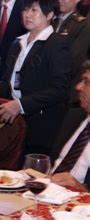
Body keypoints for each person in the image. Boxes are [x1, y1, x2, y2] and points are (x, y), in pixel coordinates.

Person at [0, 0, 72, 157]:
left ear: (50, 14)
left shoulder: (57, 44)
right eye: (25, 9)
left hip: (40, 123)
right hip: (13, 120)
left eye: (34, 10)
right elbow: (7, 79)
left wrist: (21, 104)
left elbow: (60, 89)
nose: (27, 15)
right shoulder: (18, 42)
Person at [51, 61, 90, 192]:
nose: (78, 87)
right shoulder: (73, 116)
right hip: (48, 194)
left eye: (86, 81)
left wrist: (81, 189)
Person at [52, 0, 90, 105]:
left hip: (66, 90)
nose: (60, 0)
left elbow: (74, 59)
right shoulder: (52, 21)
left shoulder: (83, 25)